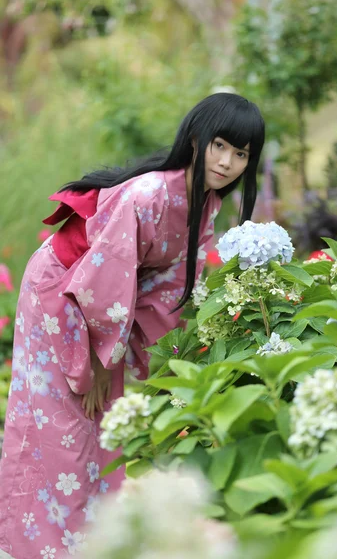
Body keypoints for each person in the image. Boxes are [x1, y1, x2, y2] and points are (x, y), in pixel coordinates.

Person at [0, 92, 265, 557]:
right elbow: (106, 282)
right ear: (197, 139)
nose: (227, 162)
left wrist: (170, 365)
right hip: (62, 294)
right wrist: (100, 364)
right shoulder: (149, 194)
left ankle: (93, 540)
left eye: (240, 154)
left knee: (100, 424)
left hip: (105, 311)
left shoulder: (206, 203)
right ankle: (33, 543)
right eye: (220, 146)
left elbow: (167, 289)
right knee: (58, 424)